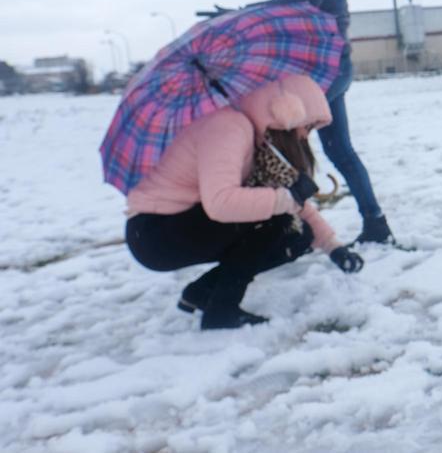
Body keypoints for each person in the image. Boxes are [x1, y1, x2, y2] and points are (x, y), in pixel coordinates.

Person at [125, 74, 365, 330]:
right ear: (287, 111)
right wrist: (286, 198)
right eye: (308, 126)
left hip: (176, 227)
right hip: (156, 234)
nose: (306, 136)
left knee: (297, 235)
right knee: (279, 225)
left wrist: (332, 246)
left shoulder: (254, 136)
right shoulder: (228, 127)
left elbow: (292, 204)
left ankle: (203, 293)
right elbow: (221, 202)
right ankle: (221, 312)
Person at [242, 0, 393, 244]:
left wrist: (243, 15)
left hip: (326, 71)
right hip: (325, 72)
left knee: (282, 145)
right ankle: (375, 224)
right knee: (339, 150)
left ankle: (295, 231)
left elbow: (299, 5)